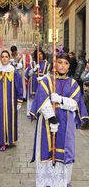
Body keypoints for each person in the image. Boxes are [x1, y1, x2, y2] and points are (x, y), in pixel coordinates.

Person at [30, 53, 89, 187]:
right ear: (55, 64)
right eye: (60, 62)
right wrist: (52, 118)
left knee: (63, 153)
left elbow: (76, 105)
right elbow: (41, 101)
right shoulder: (46, 81)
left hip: (66, 124)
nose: (63, 65)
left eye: (66, 63)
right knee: (47, 151)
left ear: (69, 67)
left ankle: (61, 182)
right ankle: (46, 183)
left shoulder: (73, 83)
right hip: (46, 122)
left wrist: (60, 100)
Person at [0, 50, 23, 151]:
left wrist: (19, 100)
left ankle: (10, 140)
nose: (4, 58)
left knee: (9, 118)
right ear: (0, 59)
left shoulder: (13, 71)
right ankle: (1, 141)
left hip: (11, 101)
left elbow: (19, 86)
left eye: (6, 57)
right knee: (0, 119)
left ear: (9, 59)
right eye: (3, 57)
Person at [25, 48, 50, 117]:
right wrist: (34, 69)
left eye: (41, 54)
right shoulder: (33, 64)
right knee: (31, 98)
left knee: (41, 97)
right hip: (33, 83)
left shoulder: (47, 64)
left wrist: (43, 77)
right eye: (38, 55)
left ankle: (40, 112)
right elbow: (28, 74)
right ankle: (30, 112)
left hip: (42, 83)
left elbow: (49, 74)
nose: (40, 56)